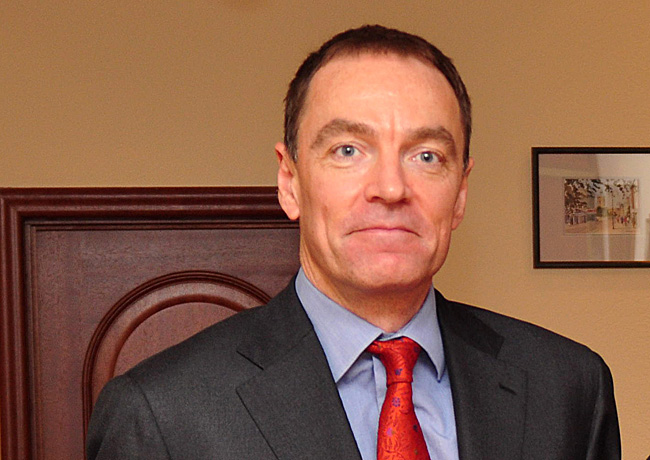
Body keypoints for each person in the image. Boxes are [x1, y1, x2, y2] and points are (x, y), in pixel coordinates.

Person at [87, 25, 620, 459]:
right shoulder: (161, 414)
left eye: (426, 156)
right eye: (347, 150)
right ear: (290, 182)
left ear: (460, 193)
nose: (390, 188)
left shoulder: (568, 388)